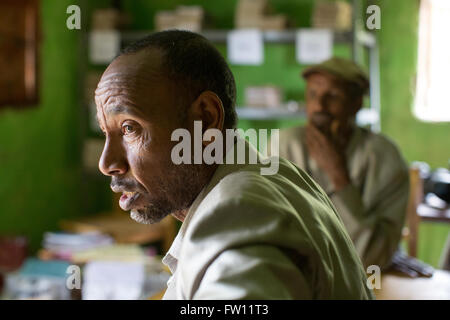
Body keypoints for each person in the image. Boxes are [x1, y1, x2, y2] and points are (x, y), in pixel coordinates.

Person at [95, 30, 373, 299]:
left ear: (205, 120)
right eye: (105, 133)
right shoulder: (274, 178)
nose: (107, 163)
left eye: (129, 128)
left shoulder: (238, 209)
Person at [274, 57, 409, 271]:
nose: (319, 106)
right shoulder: (285, 146)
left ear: (356, 104)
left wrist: (338, 174)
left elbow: (370, 258)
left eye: (333, 96)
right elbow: (273, 235)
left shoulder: (384, 157)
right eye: (313, 94)